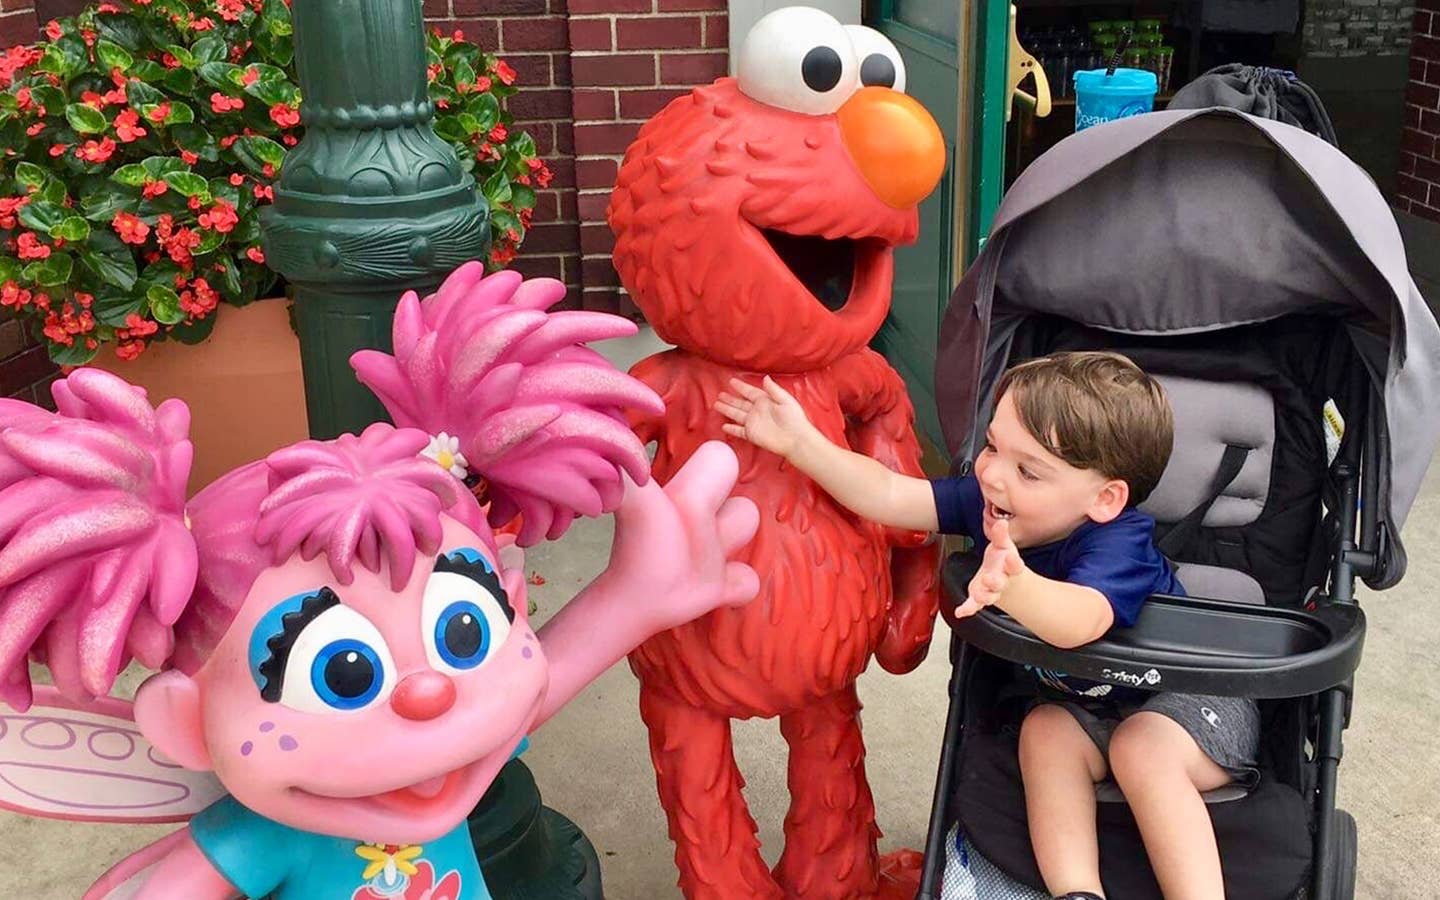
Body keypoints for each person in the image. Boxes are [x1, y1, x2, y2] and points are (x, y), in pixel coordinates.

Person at [715, 350, 1259, 900]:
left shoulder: (1119, 542)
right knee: (1044, 732)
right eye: (994, 446)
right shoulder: (991, 501)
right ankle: (1077, 892)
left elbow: (1081, 618)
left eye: (1028, 471)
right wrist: (802, 445)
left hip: (1192, 700)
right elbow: (890, 494)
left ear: (1104, 499)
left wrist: (1017, 589)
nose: (992, 474)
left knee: (1141, 750)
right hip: (1091, 711)